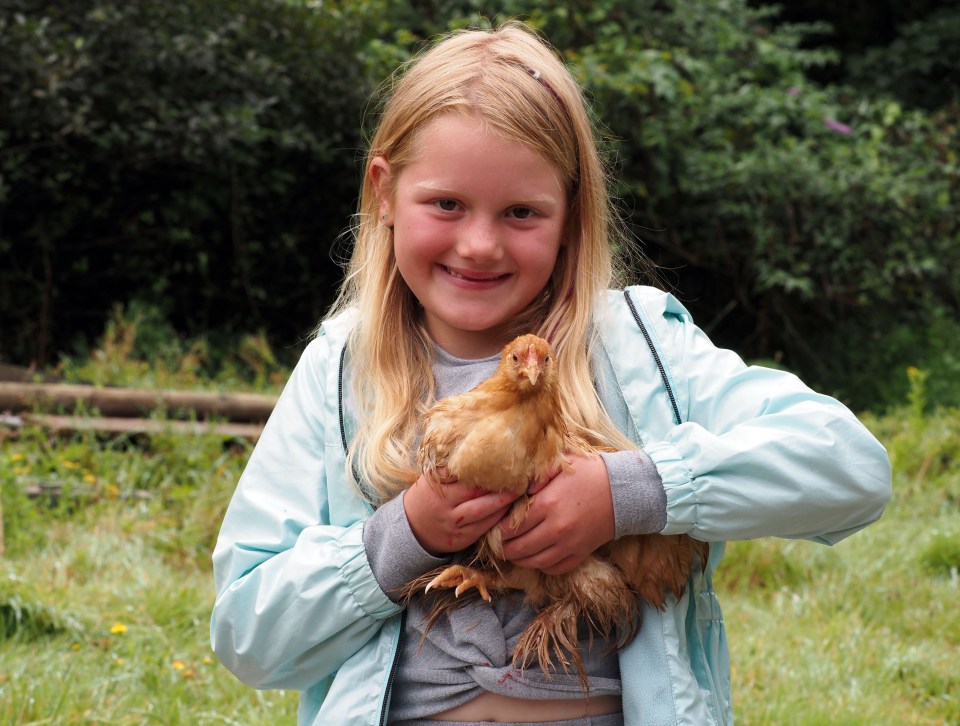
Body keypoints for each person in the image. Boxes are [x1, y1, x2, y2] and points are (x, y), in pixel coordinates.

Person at [210, 22, 891, 726]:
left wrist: (631, 492)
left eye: (521, 212)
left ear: (570, 215)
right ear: (384, 192)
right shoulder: (343, 373)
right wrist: (403, 536)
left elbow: (852, 470)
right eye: (446, 204)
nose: (479, 244)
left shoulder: (636, 348)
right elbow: (246, 636)